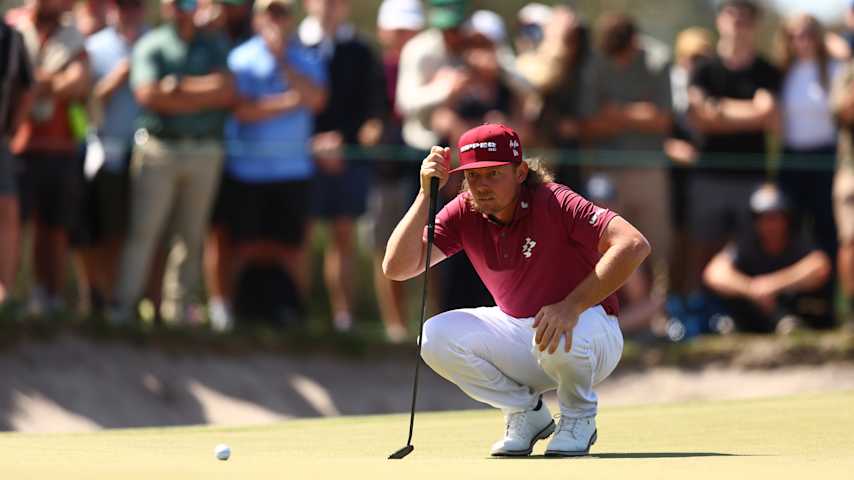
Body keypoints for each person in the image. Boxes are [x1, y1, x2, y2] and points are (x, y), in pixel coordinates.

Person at [383, 124, 649, 456]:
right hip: (523, 334)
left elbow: (634, 244)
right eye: (474, 176)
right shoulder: (464, 210)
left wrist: (572, 305)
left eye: (493, 174)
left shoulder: (555, 201)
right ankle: (527, 413)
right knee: (434, 336)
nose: (481, 186)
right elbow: (396, 267)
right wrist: (426, 195)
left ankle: (579, 417)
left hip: (591, 330)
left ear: (521, 172)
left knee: (556, 328)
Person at [110, 0, 234, 324]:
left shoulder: (215, 44)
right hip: (158, 151)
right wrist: (200, 97)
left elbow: (226, 91)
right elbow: (149, 95)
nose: (183, 8)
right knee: (143, 233)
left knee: (191, 237)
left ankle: (177, 313)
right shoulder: (152, 44)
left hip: (204, 152)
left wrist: (177, 89)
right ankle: (124, 308)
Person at [218, 0, 327, 330]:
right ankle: (233, 313)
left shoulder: (306, 57)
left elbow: (317, 99)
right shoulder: (239, 58)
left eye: (282, 13)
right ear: (257, 18)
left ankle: (295, 313)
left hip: (293, 171)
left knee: (292, 248)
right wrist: (291, 102)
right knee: (244, 246)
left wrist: (283, 61)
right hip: (247, 172)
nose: (276, 20)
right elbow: (241, 110)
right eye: (270, 12)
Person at [298, 0, 387, 332]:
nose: (330, 6)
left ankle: (343, 318)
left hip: (348, 158)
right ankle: (297, 313)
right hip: (303, 157)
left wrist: (344, 144)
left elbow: (373, 110)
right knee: (301, 236)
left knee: (343, 237)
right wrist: (314, 144)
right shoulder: (296, 46)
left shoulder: (361, 50)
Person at [687, 0, 781, 288]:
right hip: (710, 174)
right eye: (731, 13)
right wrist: (748, 111)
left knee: (747, 247)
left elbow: (767, 116)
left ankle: (741, 312)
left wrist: (719, 109)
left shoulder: (767, 69)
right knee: (704, 244)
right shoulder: (703, 68)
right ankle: (705, 311)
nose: (738, 21)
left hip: (750, 173)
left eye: (745, 16)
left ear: (754, 24)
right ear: (719, 21)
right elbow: (700, 119)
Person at [578, 12, 672, 287]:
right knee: (607, 245)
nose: (618, 62)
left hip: (649, 169)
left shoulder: (658, 60)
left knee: (657, 245)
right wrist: (639, 115)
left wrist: (615, 113)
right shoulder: (596, 63)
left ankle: (658, 312)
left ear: (635, 42)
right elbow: (588, 123)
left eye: (624, 55)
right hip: (607, 170)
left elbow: (662, 120)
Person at [11, 0, 91, 315]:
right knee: (15, 226)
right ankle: (13, 297)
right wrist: (47, 83)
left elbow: (78, 83)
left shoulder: (74, 36)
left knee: (55, 229)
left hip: (61, 148)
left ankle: (51, 299)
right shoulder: (15, 25)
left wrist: (35, 84)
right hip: (18, 146)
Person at [703, 184, 833, 333]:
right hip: (751, 312)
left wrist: (773, 285)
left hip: (791, 309)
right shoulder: (746, 243)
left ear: (786, 218)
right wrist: (752, 289)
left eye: (775, 217)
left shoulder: (797, 242)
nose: (770, 224)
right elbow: (714, 273)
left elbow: (820, 266)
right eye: (763, 218)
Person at [370, 0, 424, 342]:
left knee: (433, 249)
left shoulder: (427, 64)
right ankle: (395, 328)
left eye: (410, 30)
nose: (404, 37)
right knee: (386, 250)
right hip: (386, 174)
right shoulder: (377, 68)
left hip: (421, 173)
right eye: (398, 29)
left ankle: (429, 326)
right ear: (383, 31)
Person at [775, 14, 840, 259]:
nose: (802, 41)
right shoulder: (784, 71)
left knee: (826, 228)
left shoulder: (834, 69)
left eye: (808, 34)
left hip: (825, 158)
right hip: (791, 158)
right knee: (790, 228)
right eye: (795, 36)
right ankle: (792, 293)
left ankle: (827, 294)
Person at [0, 22, 35, 308]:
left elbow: (27, 87)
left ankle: (4, 294)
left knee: (8, 209)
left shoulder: (11, 39)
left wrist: (12, 129)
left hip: (0, 141)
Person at [831, 54, 854, 325]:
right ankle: (850, 313)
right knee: (850, 241)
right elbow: (841, 111)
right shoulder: (847, 72)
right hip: (850, 170)